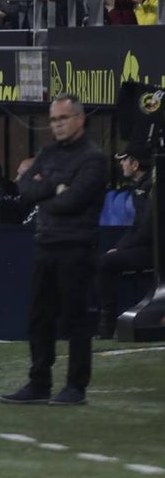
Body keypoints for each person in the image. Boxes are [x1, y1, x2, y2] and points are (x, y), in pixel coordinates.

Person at [1, 94, 106, 407]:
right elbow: (25, 188)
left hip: (76, 246)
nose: (57, 125)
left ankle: (76, 387)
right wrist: (56, 187)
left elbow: (74, 200)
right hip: (45, 244)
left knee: (76, 319)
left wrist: (47, 188)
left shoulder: (93, 158)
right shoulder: (48, 152)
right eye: (54, 119)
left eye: (62, 118)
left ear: (80, 119)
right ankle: (39, 383)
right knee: (39, 318)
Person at [96, 142, 154, 339]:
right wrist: (119, 247)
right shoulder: (141, 187)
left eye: (124, 161)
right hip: (148, 245)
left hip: (156, 249)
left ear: (135, 164)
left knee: (106, 262)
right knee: (106, 258)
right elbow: (138, 226)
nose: (122, 165)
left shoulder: (152, 187)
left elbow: (147, 229)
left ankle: (107, 325)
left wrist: (120, 249)